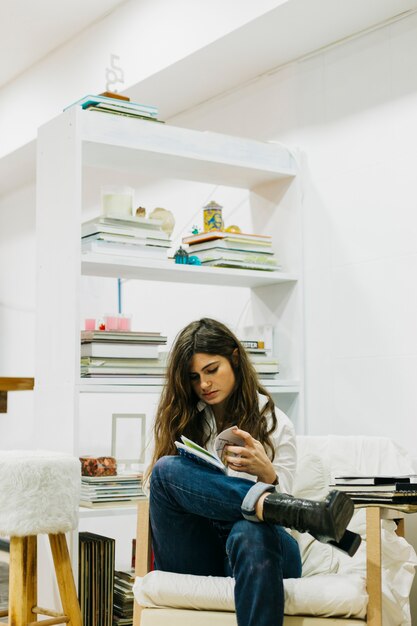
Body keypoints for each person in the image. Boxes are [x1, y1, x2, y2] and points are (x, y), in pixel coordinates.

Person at [146, 318, 357, 626]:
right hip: (199, 547)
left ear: (234, 358)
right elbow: (159, 496)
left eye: (211, 370)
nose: (204, 384)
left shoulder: (274, 422)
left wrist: (268, 476)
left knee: (251, 530)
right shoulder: (181, 418)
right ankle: (291, 510)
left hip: (263, 548)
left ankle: (275, 506)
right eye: (194, 377)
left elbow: (283, 531)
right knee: (165, 470)